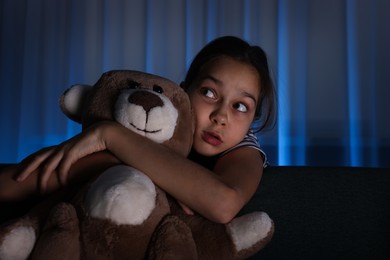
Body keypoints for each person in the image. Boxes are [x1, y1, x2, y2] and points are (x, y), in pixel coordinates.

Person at [0, 36, 276, 224]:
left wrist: (111, 135)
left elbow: (223, 204)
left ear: (253, 118)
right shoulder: (154, 123)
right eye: (209, 92)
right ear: (183, 91)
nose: (221, 116)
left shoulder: (244, 150)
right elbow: (17, 183)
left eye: (241, 107)